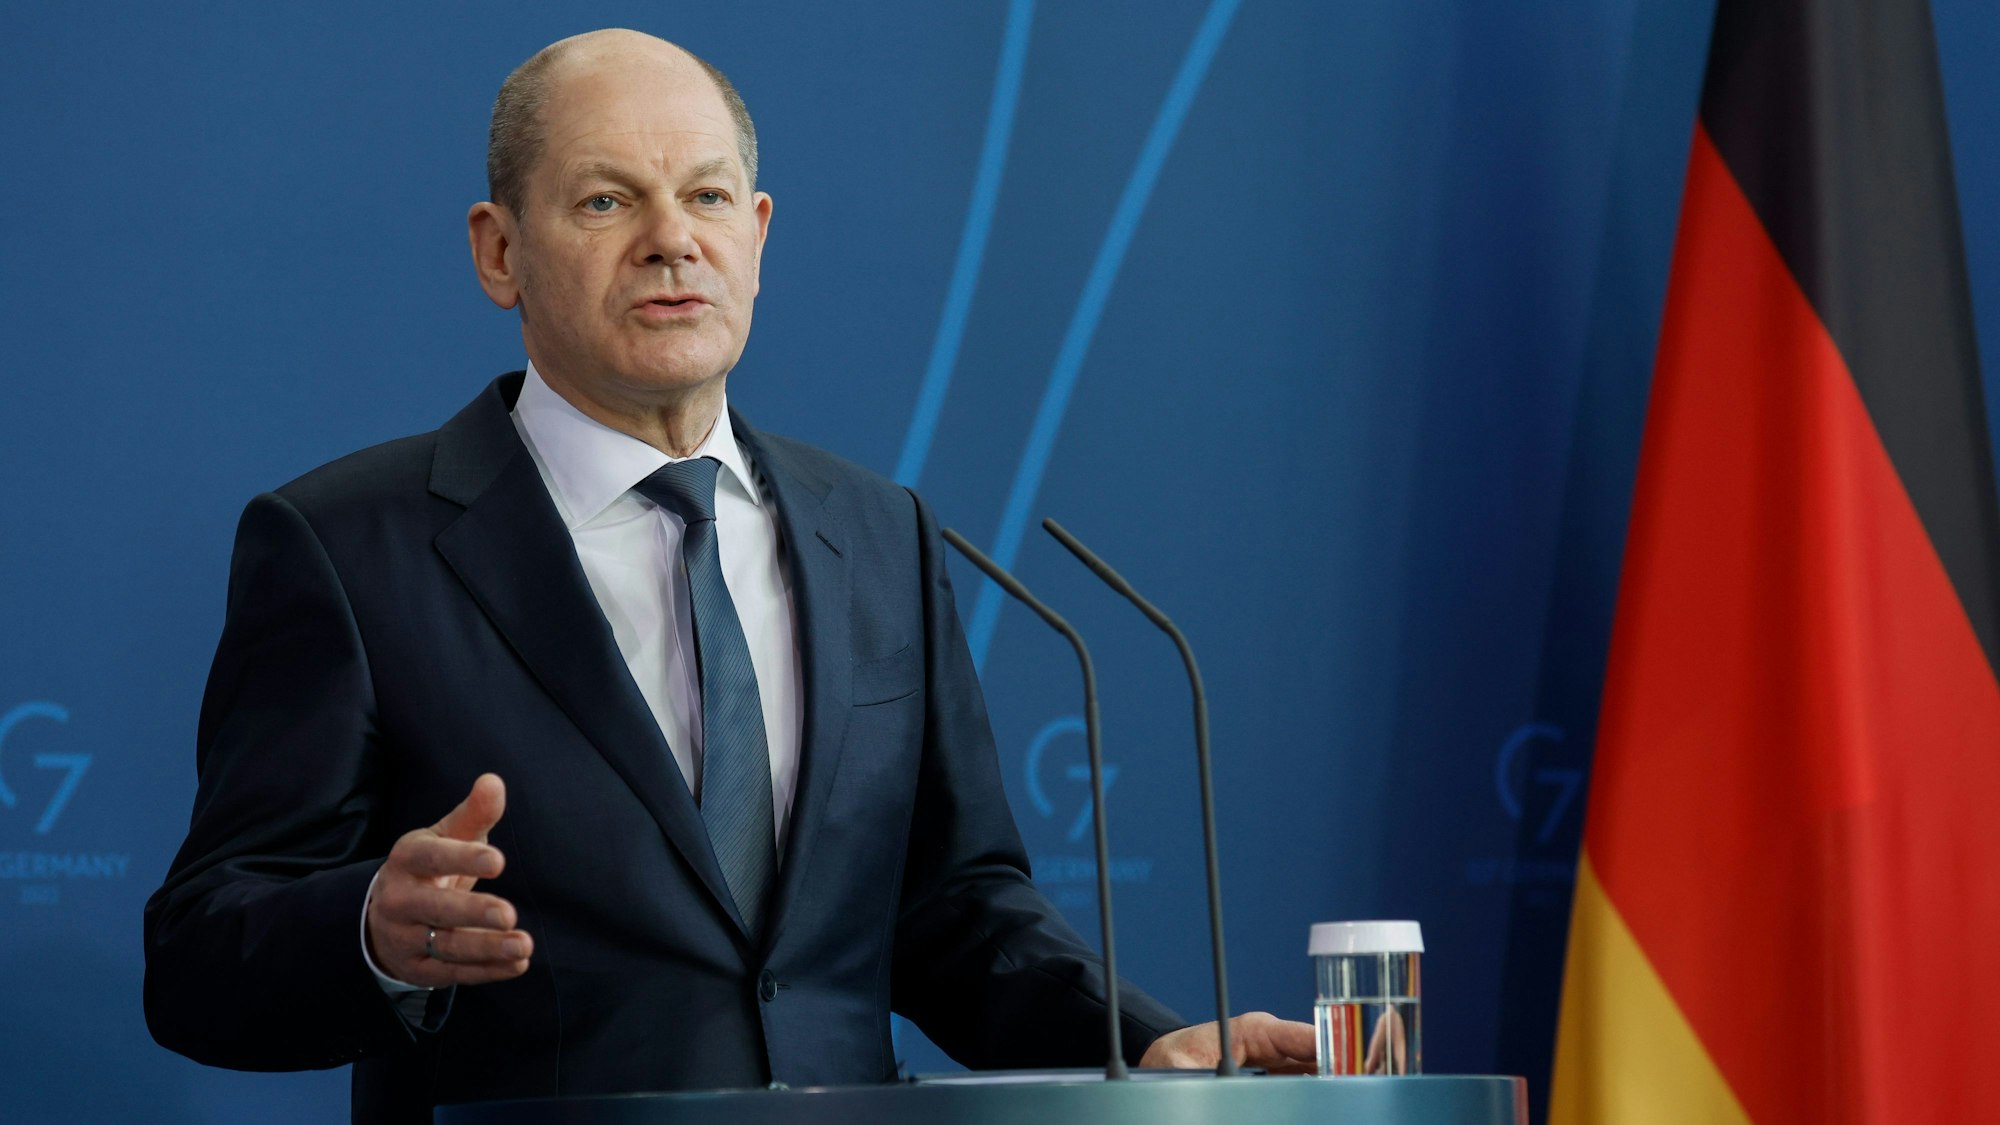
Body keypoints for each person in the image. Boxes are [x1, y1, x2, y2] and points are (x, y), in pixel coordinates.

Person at [143, 29, 1314, 1121]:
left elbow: (949, 908)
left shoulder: (877, 530)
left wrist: (1143, 1043)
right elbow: (200, 954)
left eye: (705, 196)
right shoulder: (348, 543)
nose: (670, 238)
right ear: (499, 252)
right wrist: (369, 931)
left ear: (755, 231)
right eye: (606, 201)